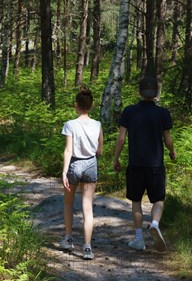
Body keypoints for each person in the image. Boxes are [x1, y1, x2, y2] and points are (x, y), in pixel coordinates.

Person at [113, 75, 176, 251]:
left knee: (136, 201)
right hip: (156, 165)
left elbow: (121, 139)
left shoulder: (129, 111)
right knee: (158, 199)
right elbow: (168, 139)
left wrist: (116, 159)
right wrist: (172, 153)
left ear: (139, 92)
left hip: (135, 164)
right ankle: (155, 223)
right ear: (156, 93)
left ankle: (139, 238)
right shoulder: (163, 113)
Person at [60, 86, 104, 260]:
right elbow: (99, 151)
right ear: (91, 106)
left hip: (75, 164)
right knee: (88, 207)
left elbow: (68, 150)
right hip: (91, 164)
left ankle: (69, 239)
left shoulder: (70, 125)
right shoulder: (97, 125)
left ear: (76, 105)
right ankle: (87, 248)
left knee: (68, 204)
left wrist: (64, 172)